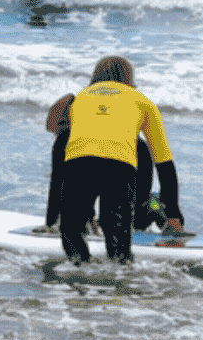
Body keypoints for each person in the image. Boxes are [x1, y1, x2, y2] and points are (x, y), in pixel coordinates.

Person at [46, 56, 184, 262]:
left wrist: (54, 222)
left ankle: (156, 207)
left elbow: (60, 176)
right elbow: (164, 164)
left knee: (142, 211)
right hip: (120, 172)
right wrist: (176, 213)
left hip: (113, 173)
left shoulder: (81, 99)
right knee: (118, 245)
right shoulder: (141, 100)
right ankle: (121, 277)